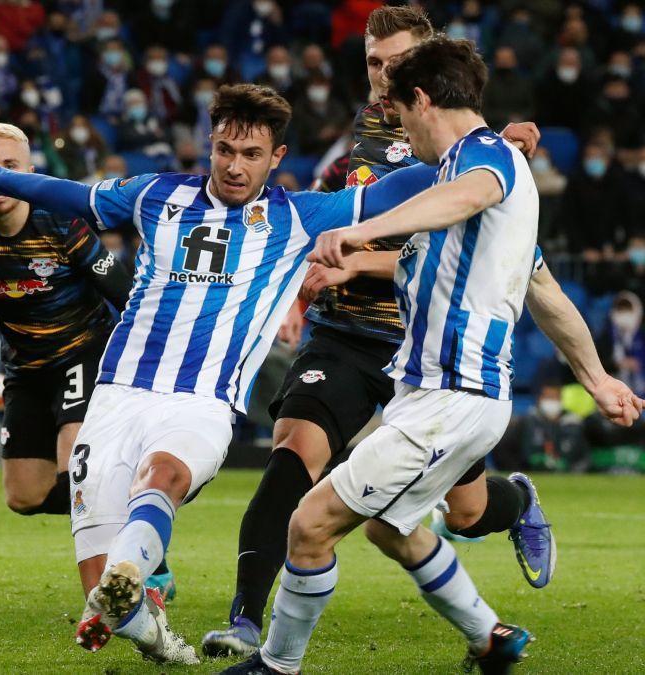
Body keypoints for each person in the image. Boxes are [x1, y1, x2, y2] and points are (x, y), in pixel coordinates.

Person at [0, 84, 441, 665]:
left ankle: (133, 571)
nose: (236, 167)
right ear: (208, 146)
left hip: (203, 401)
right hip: (117, 395)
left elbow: (399, 187)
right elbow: (70, 195)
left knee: (162, 477)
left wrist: (485, 149)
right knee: (101, 600)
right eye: (225, 151)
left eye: (252, 154)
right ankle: (152, 629)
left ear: (277, 157)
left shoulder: (299, 214)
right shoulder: (155, 194)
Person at [224, 36, 644, 675]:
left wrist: (363, 229)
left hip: (454, 397)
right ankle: (491, 638)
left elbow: (470, 191)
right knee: (389, 529)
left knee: (309, 525)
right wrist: (599, 375)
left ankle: (275, 665)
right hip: (431, 395)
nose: (399, 130)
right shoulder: (476, 192)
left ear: (421, 100)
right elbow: (545, 292)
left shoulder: (485, 160)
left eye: (399, 110)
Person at [203, 7, 549, 659]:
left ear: (425, 74)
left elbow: (458, 224)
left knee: (458, 514)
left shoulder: (468, 153)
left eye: (396, 63)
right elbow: (321, 217)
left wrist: (360, 249)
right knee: (295, 455)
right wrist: (298, 280)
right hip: (351, 336)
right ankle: (248, 619)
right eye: (372, 62)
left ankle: (513, 512)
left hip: (426, 349)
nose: (382, 76)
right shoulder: (353, 147)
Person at [0, 124, 132, 533]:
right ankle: (126, 510)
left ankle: (131, 562)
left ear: (29, 172)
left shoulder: (63, 224)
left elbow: (123, 293)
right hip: (24, 367)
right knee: (24, 497)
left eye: (10, 166)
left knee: (75, 464)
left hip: (83, 351)